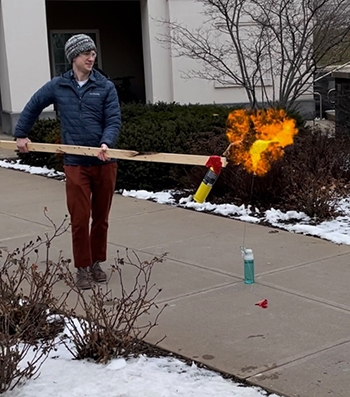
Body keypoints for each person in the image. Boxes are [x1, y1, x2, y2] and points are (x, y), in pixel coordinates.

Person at [14, 34, 122, 290]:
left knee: (101, 218)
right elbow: (33, 106)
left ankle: (97, 262)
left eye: (93, 54)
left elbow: (114, 120)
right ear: (73, 56)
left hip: (104, 162)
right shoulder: (58, 86)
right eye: (86, 54)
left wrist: (106, 142)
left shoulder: (105, 86)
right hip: (75, 163)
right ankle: (82, 268)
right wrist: (21, 133)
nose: (91, 58)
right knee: (79, 218)